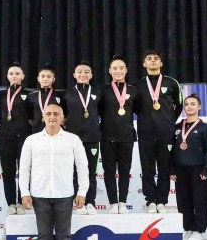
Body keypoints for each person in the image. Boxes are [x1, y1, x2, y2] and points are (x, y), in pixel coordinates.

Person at [19, 104, 89, 240]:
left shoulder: (73, 140)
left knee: (64, 236)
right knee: (44, 236)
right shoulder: (32, 141)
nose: (52, 117)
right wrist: (24, 193)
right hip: (39, 195)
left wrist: (82, 192)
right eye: (48, 114)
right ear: (43, 117)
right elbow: (24, 168)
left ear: (62, 117)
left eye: (56, 114)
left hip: (65, 195)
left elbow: (82, 167)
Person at [135, 50, 182, 214]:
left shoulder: (171, 83)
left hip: (165, 133)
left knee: (164, 168)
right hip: (145, 133)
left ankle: (162, 201)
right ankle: (150, 201)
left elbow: (179, 105)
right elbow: (135, 108)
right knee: (147, 168)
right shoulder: (138, 85)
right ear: (144, 64)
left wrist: (169, 121)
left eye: (156, 59)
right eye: (149, 59)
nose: (153, 61)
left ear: (161, 63)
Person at [169, 94, 207, 240]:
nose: (189, 106)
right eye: (187, 104)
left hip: (199, 169)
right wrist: (171, 169)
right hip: (180, 169)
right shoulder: (177, 127)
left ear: (199, 107)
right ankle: (187, 228)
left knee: (200, 201)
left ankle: (199, 230)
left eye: (193, 104)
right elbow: (170, 150)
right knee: (183, 200)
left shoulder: (205, 127)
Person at [98, 55, 139, 214]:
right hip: (107, 136)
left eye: (121, 68)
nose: (118, 71)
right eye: (114, 68)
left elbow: (139, 110)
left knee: (124, 171)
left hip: (126, 136)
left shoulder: (134, 90)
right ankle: (113, 203)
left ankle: (122, 202)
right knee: (109, 171)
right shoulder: (102, 90)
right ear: (109, 71)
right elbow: (98, 111)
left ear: (126, 70)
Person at [62, 61, 101, 215]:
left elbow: (103, 113)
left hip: (92, 138)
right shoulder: (67, 93)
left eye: (86, 72)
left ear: (91, 75)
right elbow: (62, 115)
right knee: (73, 172)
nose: (83, 74)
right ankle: (75, 202)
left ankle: (90, 202)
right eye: (79, 72)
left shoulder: (98, 93)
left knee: (90, 172)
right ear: (74, 75)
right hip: (72, 139)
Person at [0, 62, 32, 215]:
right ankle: (11, 203)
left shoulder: (29, 94)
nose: (14, 76)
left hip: (24, 137)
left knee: (23, 171)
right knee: (8, 172)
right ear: (7, 76)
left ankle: (21, 202)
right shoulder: (1, 94)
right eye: (11, 73)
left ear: (22, 76)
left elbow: (32, 116)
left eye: (17, 73)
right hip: (6, 137)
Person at [27, 63, 62, 133]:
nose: (45, 79)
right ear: (38, 79)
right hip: (37, 132)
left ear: (53, 79)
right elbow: (29, 116)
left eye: (48, 76)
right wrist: (36, 126)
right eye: (42, 76)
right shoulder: (31, 96)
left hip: (55, 132)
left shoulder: (60, 96)